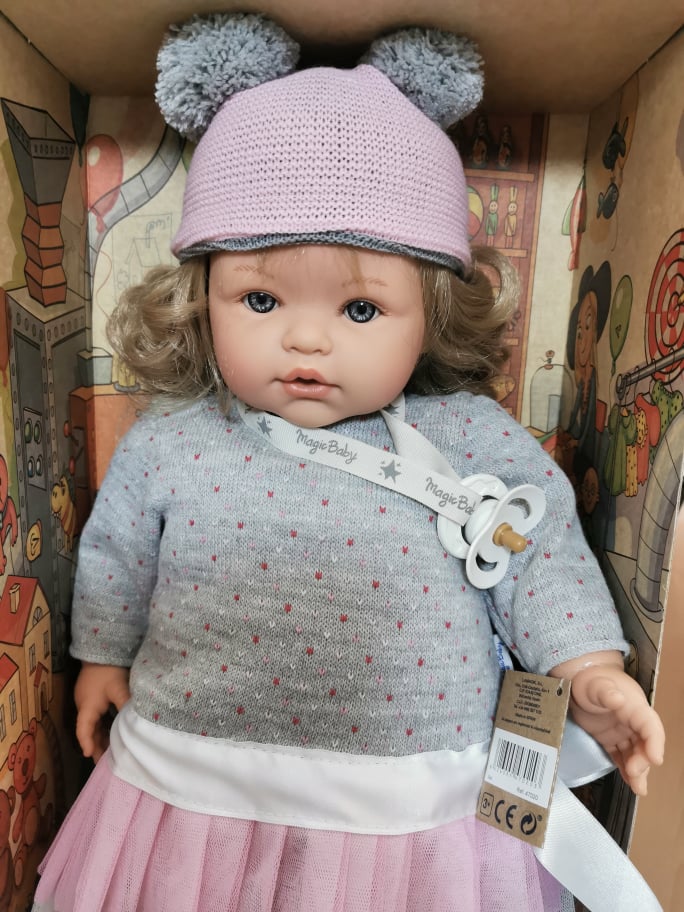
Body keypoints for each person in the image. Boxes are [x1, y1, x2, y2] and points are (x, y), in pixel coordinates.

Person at [33, 13, 664, 912]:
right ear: (200, 297)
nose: (305, 339)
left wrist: (587, 669)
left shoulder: (469, 436)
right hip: (191, 786)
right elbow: (118, 557)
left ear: (433, 314)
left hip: (412, 804)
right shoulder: (175, 440)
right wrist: (101, 658)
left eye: (360, 311)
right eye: (259, 299)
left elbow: (538, 551)